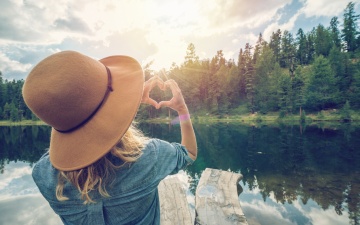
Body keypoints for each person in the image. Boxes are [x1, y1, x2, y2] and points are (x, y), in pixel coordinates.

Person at [22, 50, 197, 225]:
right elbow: (189, 153)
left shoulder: (43, 175)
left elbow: (80, 129)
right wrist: (181, 109)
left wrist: (126, 101)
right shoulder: (150, 157)